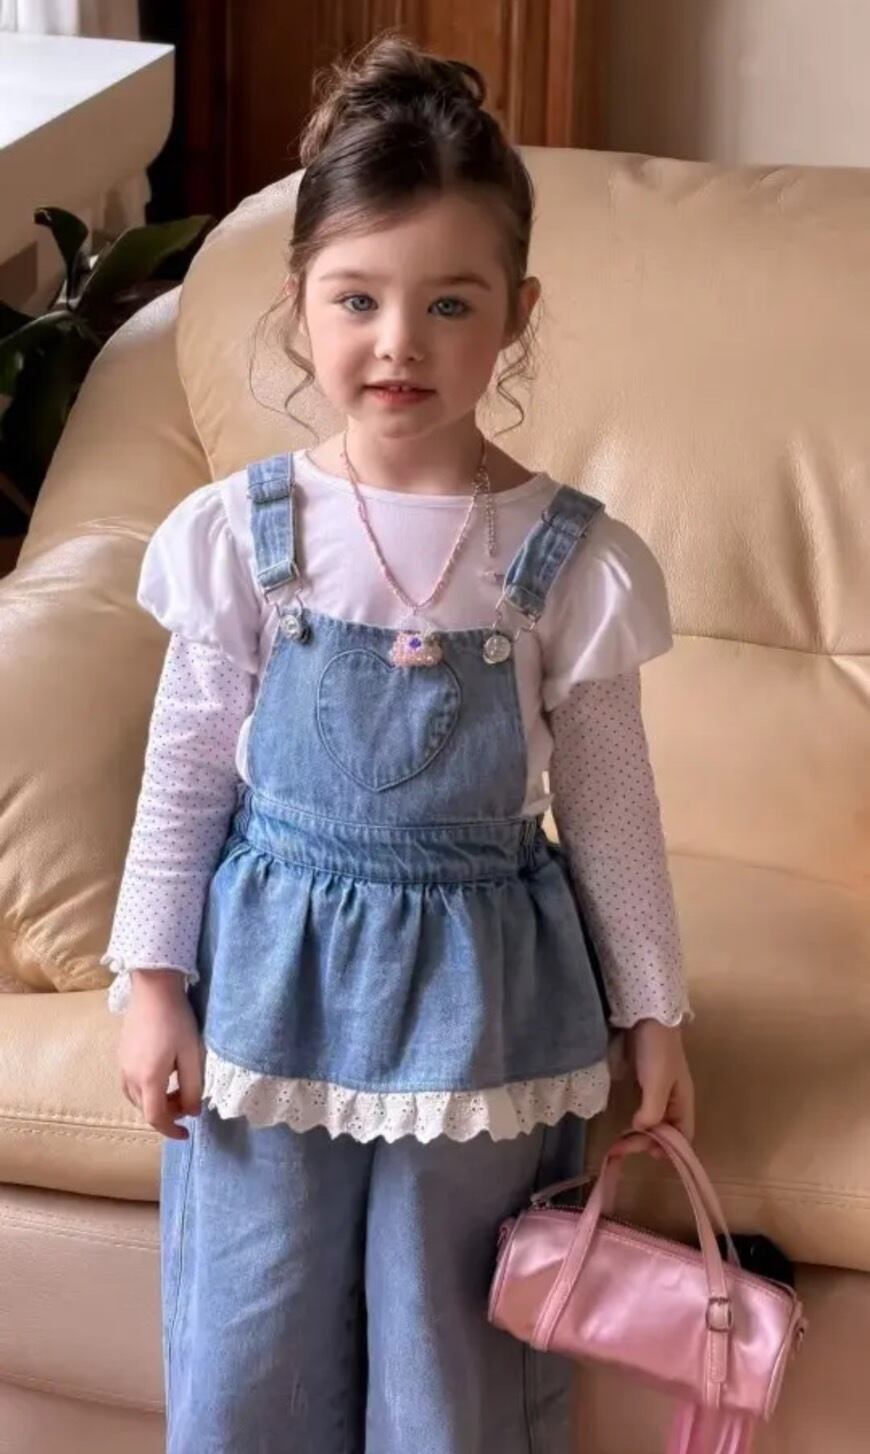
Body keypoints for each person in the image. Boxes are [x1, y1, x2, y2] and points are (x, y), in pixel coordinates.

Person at [103, 32, 694, 1454]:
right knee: (254, 1329)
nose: (399, 343)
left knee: (450, 1354)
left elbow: (610, 807)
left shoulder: (568, 559)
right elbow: (184, 772)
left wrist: (654, 1011)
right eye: (358, 299)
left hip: (484, 1006)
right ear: (298, 300)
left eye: (449, 303)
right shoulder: (243, 538)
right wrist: (151, 982)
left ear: (516, 314)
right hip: (270, 993)